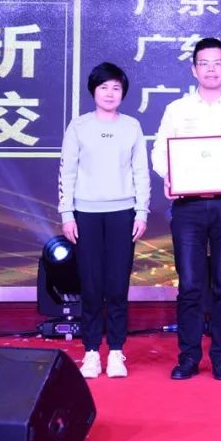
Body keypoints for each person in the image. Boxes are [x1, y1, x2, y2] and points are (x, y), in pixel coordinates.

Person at [151, 37, 221, 381]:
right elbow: (159, 152)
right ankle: (188, 357)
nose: (211, 69)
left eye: (217, 63)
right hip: (188, 207)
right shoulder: (177, 110)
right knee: (190, 284)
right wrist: (169, 175)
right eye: (204, 63)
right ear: (194, 69)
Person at [58, 62, 150, 379]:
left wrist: (141, 211)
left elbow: (141, 172)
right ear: (93, 91)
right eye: (104, 87)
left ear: (123, 93)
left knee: (117, 286)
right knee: (91, 286)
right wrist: (67, 213)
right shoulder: (78, 127)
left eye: (116, 88)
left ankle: (117, 352)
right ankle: (91, 352)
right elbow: (67, 172)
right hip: (86, 215)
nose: (110, 93)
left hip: (123, 214)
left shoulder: (132, 127)